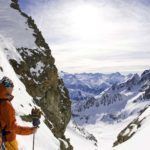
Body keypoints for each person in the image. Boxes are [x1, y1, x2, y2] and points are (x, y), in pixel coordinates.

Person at [0, 76, 38, 150]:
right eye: (11, 87)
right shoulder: (6, 105)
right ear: (6, 87)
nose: (12, 90)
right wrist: (31, 130)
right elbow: (13, 128)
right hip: (8, 140)